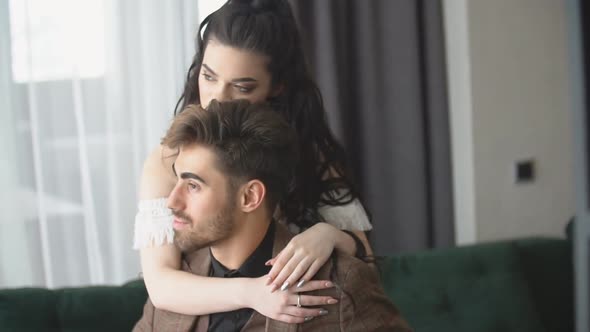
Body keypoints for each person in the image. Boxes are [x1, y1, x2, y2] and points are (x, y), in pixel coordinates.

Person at [134, 0, 374, 322]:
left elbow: (365, 258)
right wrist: (253, 292)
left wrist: (326, 235)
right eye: (209, 76)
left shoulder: (305, 153)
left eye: (242, 86)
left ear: (277, 87)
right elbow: (162, 285)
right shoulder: (168, 162)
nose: (218, 99)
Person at [133, 100, 411, 332]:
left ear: (250, 197)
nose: (171, 201)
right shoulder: (181, 277)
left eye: (193, 186)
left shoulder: (340, 286)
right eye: (177, 181)